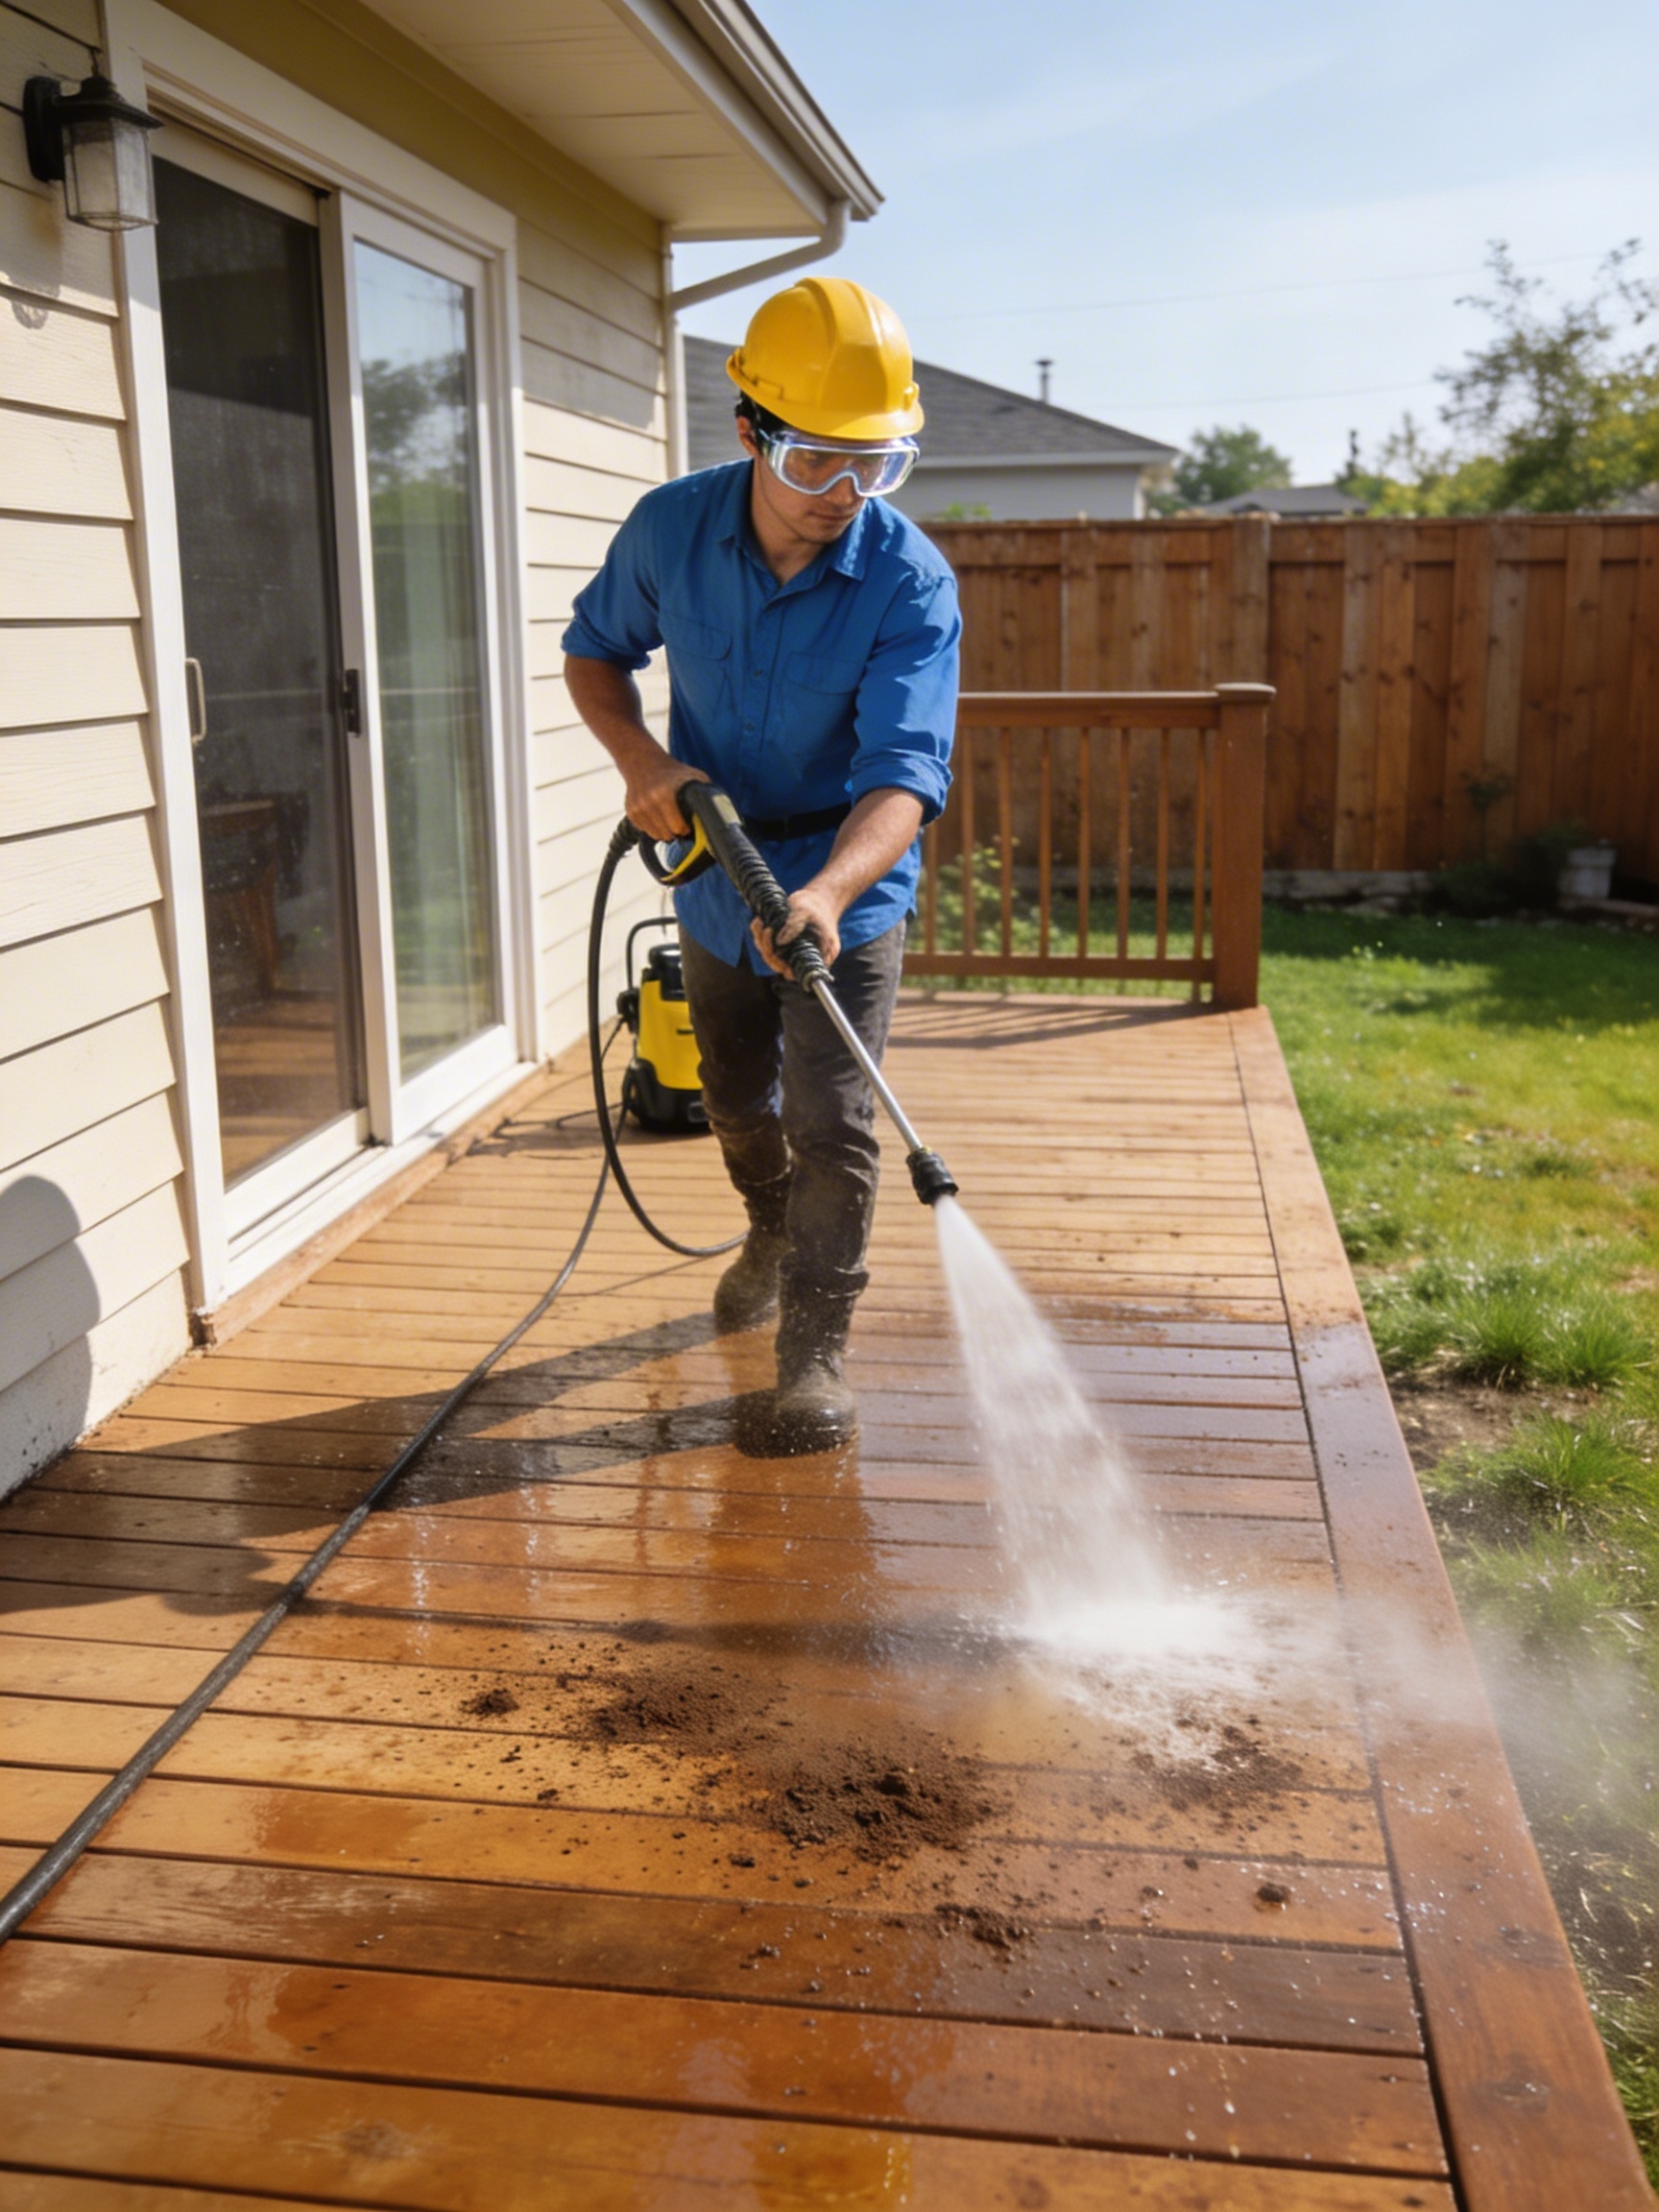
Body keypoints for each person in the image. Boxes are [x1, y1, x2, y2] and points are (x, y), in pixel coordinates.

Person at [562, 276, 960, 1450]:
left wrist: (832, 894)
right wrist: (644, 764)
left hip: (847, 874)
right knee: (734, 1093)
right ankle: (771, 1231)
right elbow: (596, 654)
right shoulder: (670, 529)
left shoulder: (908, 580)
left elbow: (906, 774)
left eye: (876, 465)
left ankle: (815, 1348)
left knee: (834, 1116)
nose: (846, 495)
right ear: (751, 432)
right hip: (713, 861)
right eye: (818, 463)